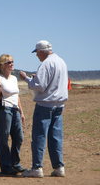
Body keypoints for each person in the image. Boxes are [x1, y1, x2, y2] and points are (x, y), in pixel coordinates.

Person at [20, 40, 68, 178]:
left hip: (45, 105)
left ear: (41, 51)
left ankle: (37, 168)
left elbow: (39, 86)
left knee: (39, 136)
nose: (37, 56)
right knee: (56, 137)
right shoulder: (61, 62)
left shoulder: (45, 64)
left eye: (37, 53)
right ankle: (59, 167)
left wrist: (26, 79)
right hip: (59, 105)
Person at [0, 54, 26, 175]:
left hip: (15, 110)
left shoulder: (14, 79)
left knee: (19, 137)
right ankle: (6, 167)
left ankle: (15, 163)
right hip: (3, 110)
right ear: (2, 65)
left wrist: (21, 112)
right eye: (9, 62)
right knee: (4, 139)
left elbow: (16, 97)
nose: (12, 64)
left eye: (12, 62)